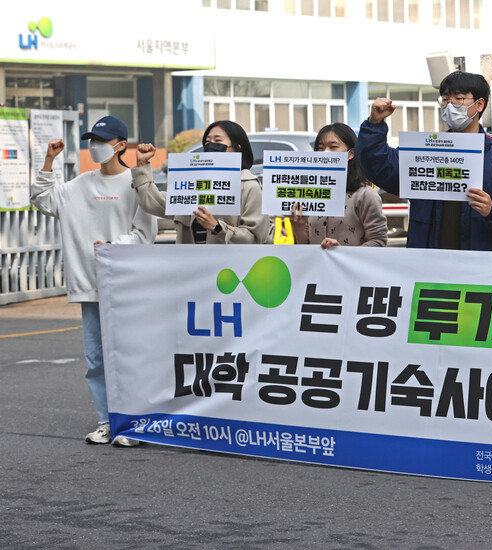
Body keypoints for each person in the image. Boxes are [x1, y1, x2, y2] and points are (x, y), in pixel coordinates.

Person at [30, 115, 157, 446]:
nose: (95, 147)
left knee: (128, 355)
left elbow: (146, 234)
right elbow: (42, 200)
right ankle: (106, 422)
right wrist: (48, 162)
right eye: (92, 141)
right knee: (96, 360)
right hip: (90, 284)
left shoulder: (136, 182)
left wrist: (115, 247)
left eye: (101, 141)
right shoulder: (80, 185)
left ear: (120, 145)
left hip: (127, 285)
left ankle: (133, 423)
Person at [355, 71, 492, 251]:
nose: (450, 106)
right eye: (445, 100)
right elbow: (381, 167)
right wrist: (374, 124)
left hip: (482, 274)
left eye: (458, 99)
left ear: (479, 104)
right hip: (428, 270)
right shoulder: (426, 150)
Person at [130, 120, 269, 244]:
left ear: (237, 148)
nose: (211, 145)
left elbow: (255, 237)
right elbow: (151, 201)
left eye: (218, 140)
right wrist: (142, 163)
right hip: (192, 268)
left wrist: (218, 228)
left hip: (229, 269)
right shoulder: (193, 183)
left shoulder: (248, 185)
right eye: (207, 142)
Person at [290, 123, 388, 248]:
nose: (325, 152)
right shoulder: (311, 193)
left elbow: (378, 241)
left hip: (351, 268)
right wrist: (298, 227)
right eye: (320, 148)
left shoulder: (365, 195)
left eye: (333, 147)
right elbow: (306, 246)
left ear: (350, 153)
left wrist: (342, 254)